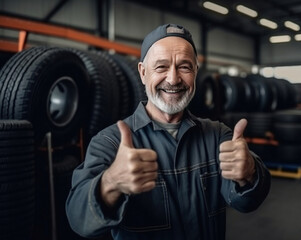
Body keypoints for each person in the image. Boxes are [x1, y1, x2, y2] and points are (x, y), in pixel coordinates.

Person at [66, 23, 271, 240]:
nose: (173, 79)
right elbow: (78, 220)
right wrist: (111, 183)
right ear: (143, 73)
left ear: (195, 72)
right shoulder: (110, 142)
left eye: (184, 67)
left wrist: (249, 173)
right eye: (161, 67)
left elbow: (248, 202)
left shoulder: (218, 136)